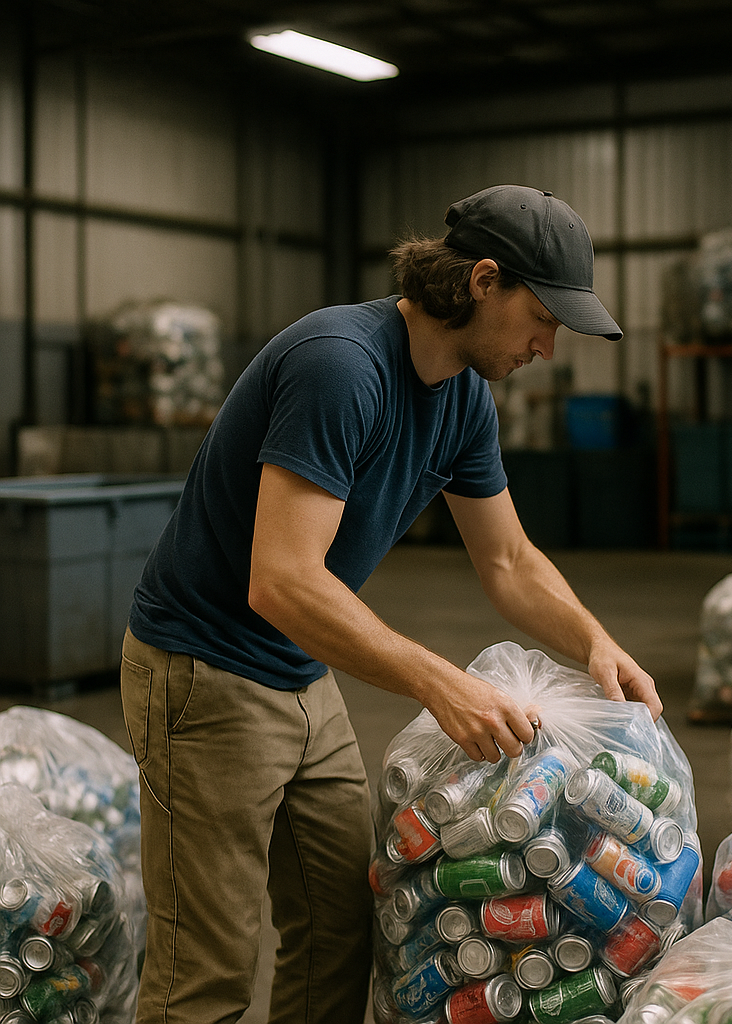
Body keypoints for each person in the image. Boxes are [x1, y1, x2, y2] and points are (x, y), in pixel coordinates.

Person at [120, 183, 663, 1024]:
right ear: (484, 281)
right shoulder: (343, 365)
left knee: (344, 925)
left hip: (301, 672)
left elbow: (510, 560)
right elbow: (284, 581)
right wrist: (437, 682)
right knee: (209, 966)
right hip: (206, 673)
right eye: (544, 318)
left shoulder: (463, 398)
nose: (547, 348)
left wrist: (596, 642)